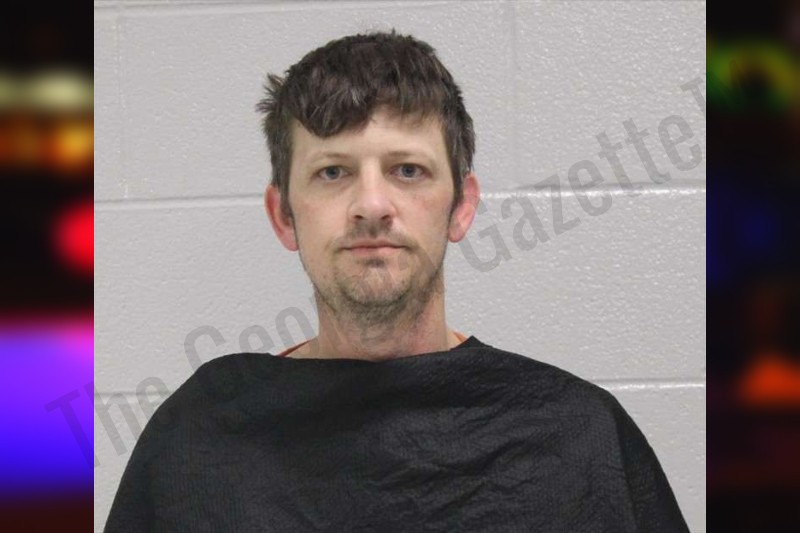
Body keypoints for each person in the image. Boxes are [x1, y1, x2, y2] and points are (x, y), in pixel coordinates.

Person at [104, 30, 690, 532]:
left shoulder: (577, 436)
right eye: (332, 172)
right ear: (284, 215)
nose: (372, 205)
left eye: (407, 170)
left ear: (461, 207)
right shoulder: (201, 438)